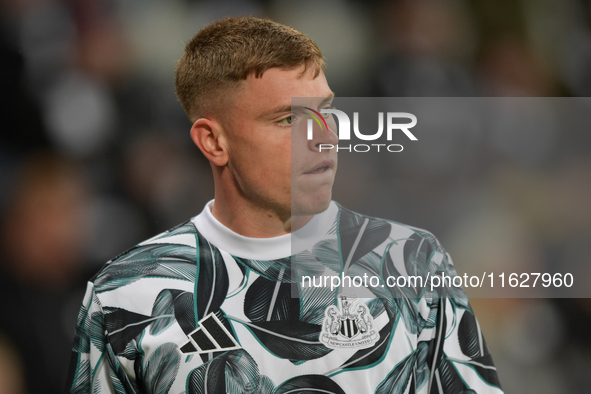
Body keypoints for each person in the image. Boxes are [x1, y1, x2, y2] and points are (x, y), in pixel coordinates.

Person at [66, 16, 503, 393]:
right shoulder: (126, 296)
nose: (324, 137)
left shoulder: (413, 261)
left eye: (327, 111)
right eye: (288, 119)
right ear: (213, 141)